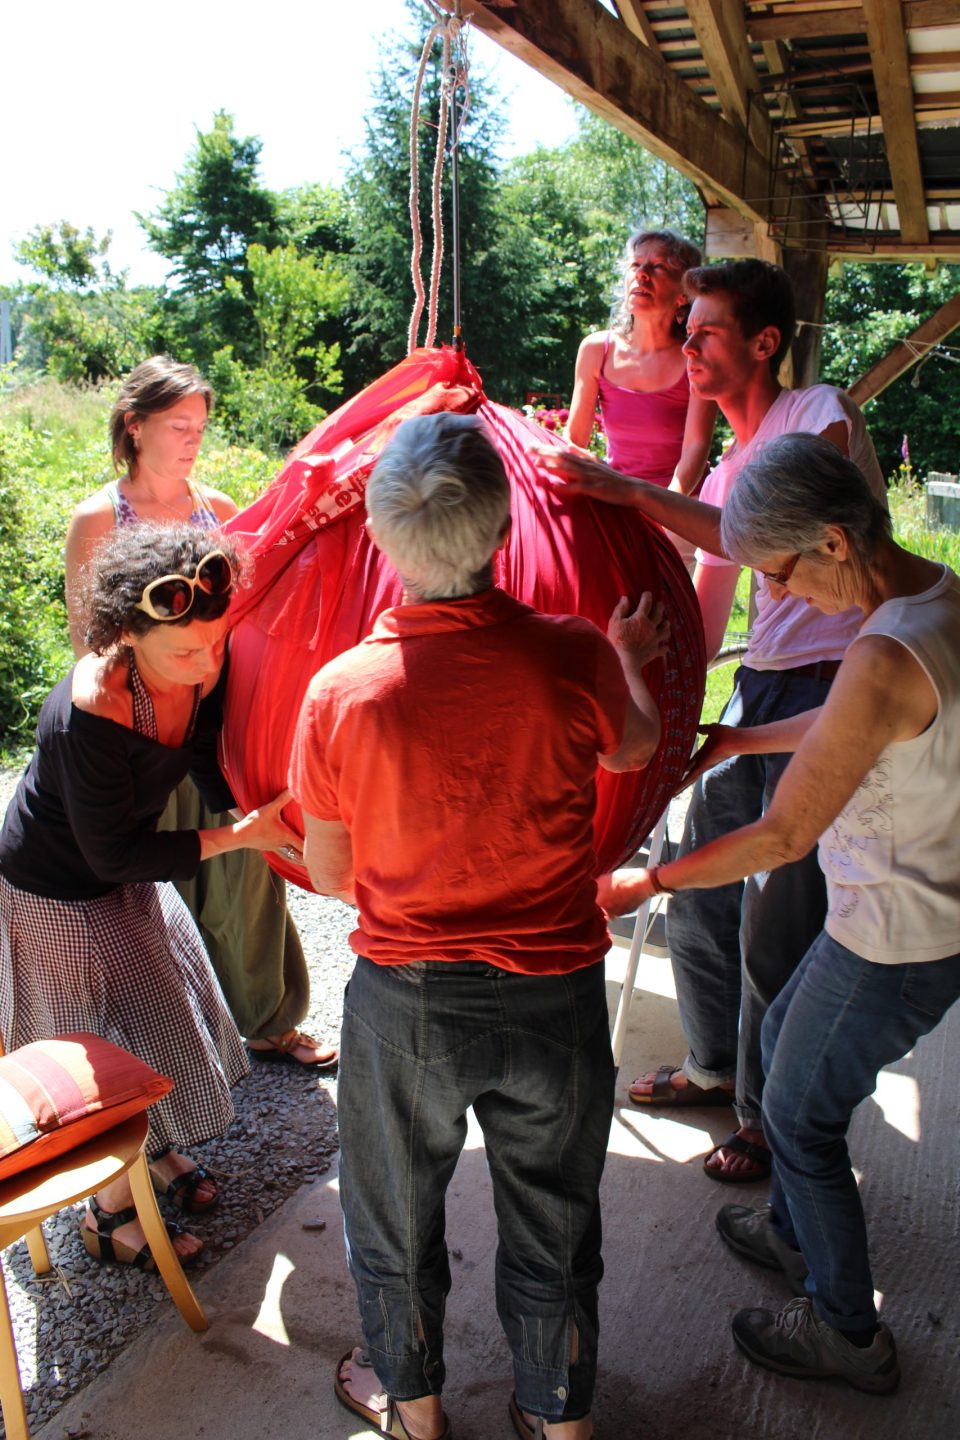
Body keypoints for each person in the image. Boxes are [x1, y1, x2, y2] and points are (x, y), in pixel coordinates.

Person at [288, 412, 668, 1440]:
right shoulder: (575, 655)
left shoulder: (338, 694)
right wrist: (629, 656)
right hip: (558, 998)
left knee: (393, 1218)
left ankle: (414, 1412)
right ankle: (559, 1418)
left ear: (377, 538)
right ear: (506, 530)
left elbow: (327, 870)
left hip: (405, 1003)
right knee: (555, 1220)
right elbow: (634, 752)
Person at [604, 432, 960, 1393]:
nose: (786, 596)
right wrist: (742, 739)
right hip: (891, 914)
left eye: (784, 572)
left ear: (836, 541)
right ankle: (793, 1228)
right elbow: (858, 712)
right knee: (792, 1050)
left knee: (799, 1119)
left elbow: (781, 838)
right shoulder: (934, 595)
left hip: (896, 934)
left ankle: (849, 1333)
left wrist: (650, 882)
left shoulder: (886, 646)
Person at [540, 259, 886, 1182]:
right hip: (761, 684)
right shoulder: (732, 464)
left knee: (778, 919)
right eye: (684, 328)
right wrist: (646, 677)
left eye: (707, 330)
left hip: (832, 679)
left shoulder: (820, 416)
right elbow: (714, 588)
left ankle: (772, 1120)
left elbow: (767, 535)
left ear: (764, 342)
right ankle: (714, 1065)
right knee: (697, 890)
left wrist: (636, 495)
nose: (685, 343)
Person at [0, 525, 300, 1268]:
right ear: (126, 634)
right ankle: (107, 1215)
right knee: (102, 1049)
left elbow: (204, 759)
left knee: (161, 1014)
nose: (203, 666)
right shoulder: (91, 709)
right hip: (55, 892)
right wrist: (238, 837)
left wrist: (259, 809)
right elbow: (116, 851)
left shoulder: (198, 656)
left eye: (216, 645)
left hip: (120, 876)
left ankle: (156, 1151)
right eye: (183, 654)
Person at [64, 355, 335, 1070]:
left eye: (200, 426)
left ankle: (272, 1019)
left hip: (221, 715)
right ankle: (186, 1036)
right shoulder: (98, 516)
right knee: (164, 875)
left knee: (249, 865)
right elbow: (85, 642)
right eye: (178, 424)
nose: (193, 438)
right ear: (135, 425)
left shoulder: (217, 506)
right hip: (142, 727)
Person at [565, 228, 716, 568]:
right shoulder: (595, 350)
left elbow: (696, 449)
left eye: (659, 267)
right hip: (617, 502)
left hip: (681, 511)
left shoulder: (696, 357)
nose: (642, 275)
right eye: (635, 265)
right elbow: (574, 440)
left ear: (683, 294)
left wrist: (663, 514)